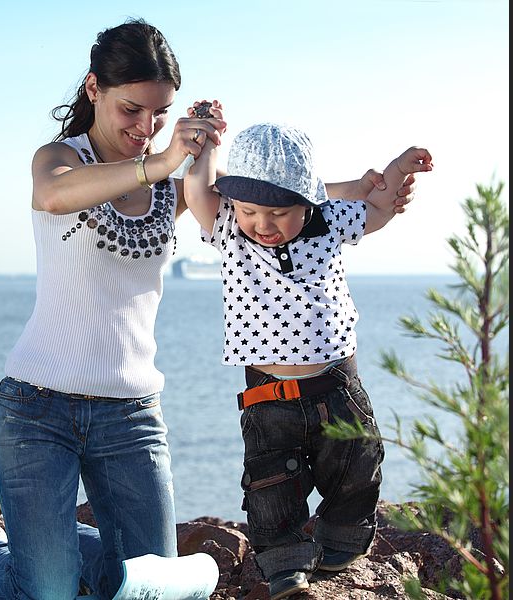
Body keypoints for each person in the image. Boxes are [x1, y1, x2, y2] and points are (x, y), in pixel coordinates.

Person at [0, 19, 415, 599]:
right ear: (93, 88)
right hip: (37, 407)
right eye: (130, 110)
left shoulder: (170, 188)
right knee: (49, 590)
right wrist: (165, 159)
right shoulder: (60, 159)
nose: (145, 129)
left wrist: (366, 187)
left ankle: (49, 541)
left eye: (159, 115)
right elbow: (52, 195)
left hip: (130, 415)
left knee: (149, 585)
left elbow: (263, 199)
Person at [184, 114, 433, 600]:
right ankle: (286, 574)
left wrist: (397, 169)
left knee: (355, 467)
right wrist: (208, 143)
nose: (263, 225)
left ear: (307, 200)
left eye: (279, 213)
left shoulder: (330, 220)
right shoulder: (230, 230)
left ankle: (340, 548)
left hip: (337, 385)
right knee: (270, 487)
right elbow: (197, 190)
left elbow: (379, 207)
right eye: (252, 211)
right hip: (267, 396)